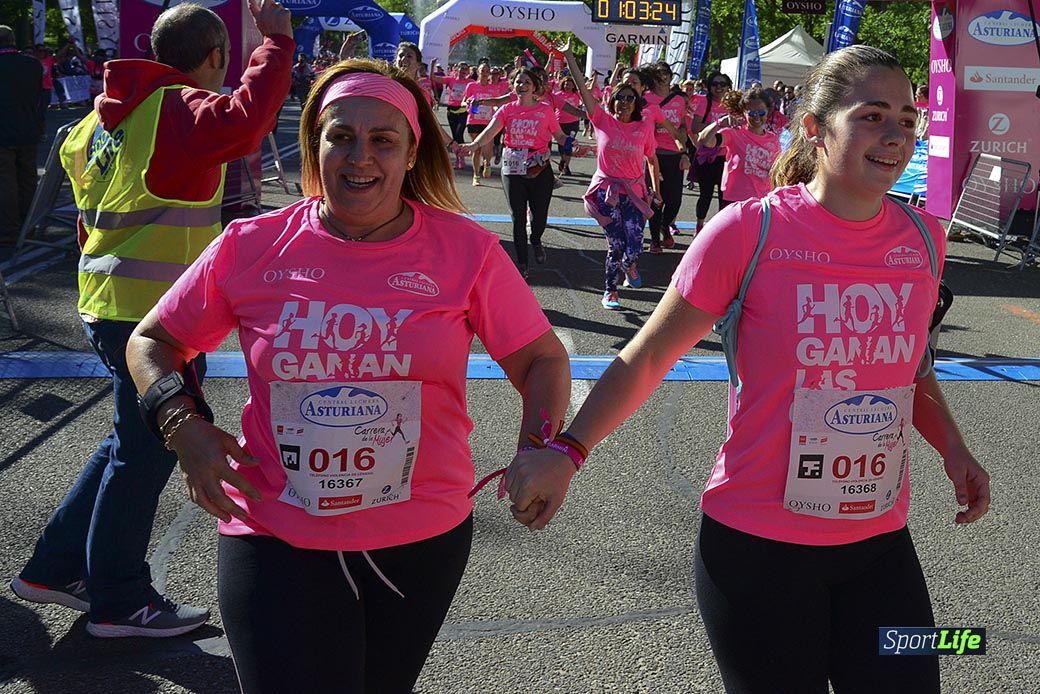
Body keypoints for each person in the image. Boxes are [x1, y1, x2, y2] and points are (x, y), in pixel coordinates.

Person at [505, 45, 991, 693]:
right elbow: (648, 356)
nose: (896, 135)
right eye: (872, 116)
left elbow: (908, 364)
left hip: (878, 543)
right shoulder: (749, 232)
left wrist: (954, 447)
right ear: (814, 129)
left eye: (906, 119)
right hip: (758, 549)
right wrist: (568, 451)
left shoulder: (924, 237)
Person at [124, 58, 570, 692]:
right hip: (274, 529)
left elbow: (542, 360)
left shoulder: (466, 251)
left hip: (420, 536)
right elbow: (153, 341)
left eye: (383, 140)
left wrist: (540, 450)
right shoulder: (251, 244)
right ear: (316, 145)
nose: (361, 156)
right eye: (341, 136)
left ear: (412, 153)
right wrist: (182, 428)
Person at [10, 0, 294, 638]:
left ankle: (54, 567)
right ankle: (119, 600)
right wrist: (276, 44)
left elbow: (87, 216)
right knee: (147, 451)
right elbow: (247, 124)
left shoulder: (100, 119)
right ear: (216, 56)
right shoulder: (177, 109)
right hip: (156, 321)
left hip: (106, 302)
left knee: (129, 442)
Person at [560, 44, 660, 311]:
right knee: (616, 243)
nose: (625, 102)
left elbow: (652, 159)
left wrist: (657, 190)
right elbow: (583, 91)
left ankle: (630, 265)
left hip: (635, 194)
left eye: (630, 98)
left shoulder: (643, 127)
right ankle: (611, 290)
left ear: (636, 103)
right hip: (607, 193)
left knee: (635, 246)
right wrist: (569, 56)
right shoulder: (602, 120)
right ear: (613, 101)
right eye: (620, 97)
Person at [465, 68, 570, 278]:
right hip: (513, 167)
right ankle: (522, 264)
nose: (522, 86)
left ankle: (536, 239)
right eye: (518, 82)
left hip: (540, 168)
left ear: (534, 87)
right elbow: (490, 131)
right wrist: (474, 145)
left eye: (527, 82)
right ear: (513, 86)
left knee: (539, 217)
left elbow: (558, 135)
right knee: (518, 217)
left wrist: (571, 144)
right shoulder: (507, 110)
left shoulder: (545, 110)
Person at [697, 88, 781, 206]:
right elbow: (703, 141)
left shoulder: (773, 139)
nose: (757, 117)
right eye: (751, 113)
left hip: (762, 201)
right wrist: (719, 123)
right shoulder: (734, 133)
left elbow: (776, 171)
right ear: (744, 112)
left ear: (768, 111)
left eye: (761, 112)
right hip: (735, 200)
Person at [0, 26, 43, 246]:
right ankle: (29, 227)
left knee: (5, 182)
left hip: (3, 131)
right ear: (13, 40)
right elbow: (39, 97)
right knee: (28, 180)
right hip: (28, 128)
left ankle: (9, 230)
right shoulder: (32, 65)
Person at [642, 63, 689, 252]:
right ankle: (655, 240)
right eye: (658, 75)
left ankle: (665, 225)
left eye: (665, 74)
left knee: (675, 200)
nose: (662, 78)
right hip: (654, 154)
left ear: (670, 76)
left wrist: (684, 149)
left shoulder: (679, 99)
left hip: (675, 154)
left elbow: (682, 123)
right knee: (656, 199)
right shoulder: (646, 98)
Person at [689, 71, 733, 233]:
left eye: (723, 84)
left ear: (728, 87)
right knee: (706, 195)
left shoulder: (733, 105)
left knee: (724, 196)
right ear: (709, 87)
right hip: (708, 157)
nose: (719, 87)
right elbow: (695, 127)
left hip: (727, 158)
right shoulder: (705, 102)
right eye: (715, 84)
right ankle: (699, 226)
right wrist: (717, 125)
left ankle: (721, 230)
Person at [462, 62, 499, 185]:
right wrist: (468, 103)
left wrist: (496, 109)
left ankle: (487, 163)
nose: (484, 73)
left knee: (487, 150)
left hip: (488, 122)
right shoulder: (471, 86)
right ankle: (476, 176)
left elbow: (496, 104)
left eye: (487, 71)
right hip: (474, 120)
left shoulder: (493, 88)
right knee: (476, 149)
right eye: (482, 71)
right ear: (478, 72)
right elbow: (463, 102)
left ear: (489, 74)